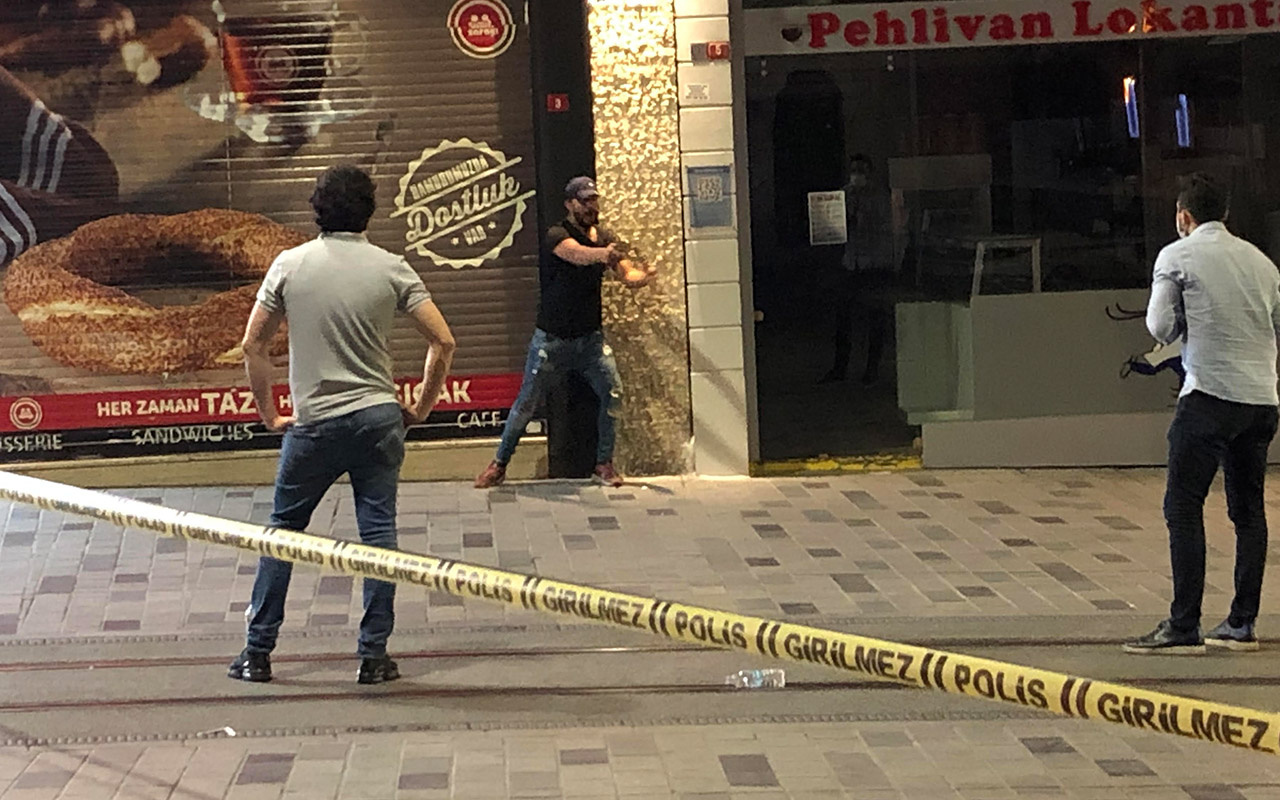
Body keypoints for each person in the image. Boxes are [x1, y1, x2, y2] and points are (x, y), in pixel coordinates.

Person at [228, 164, 456, 684]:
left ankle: (257, 654)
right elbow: (443, 341)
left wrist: (268, 414)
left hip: (314, 425)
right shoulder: (393, 268)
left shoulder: (288, 266)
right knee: (379, 536)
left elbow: (253, 344)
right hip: (377, 419)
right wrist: (419, 406)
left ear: (316, 209)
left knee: (282, 534)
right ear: (369, 212)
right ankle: (374, 656)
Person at [1124, 172, 1280, 655]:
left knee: (1183, 505)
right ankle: (1241, 623)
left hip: (1209, 395)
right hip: (1260, 401)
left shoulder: (1177, 256)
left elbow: (1160, 326)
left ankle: (1183, 623)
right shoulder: (1263, 264)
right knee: (1248, 511)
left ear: (1183, 217)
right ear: (1225, 214)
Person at [474, 176, 653, 489]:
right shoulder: (557, 234)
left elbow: (627, 272)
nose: (590, 207)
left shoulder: (606, 237)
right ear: (570, 204)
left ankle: (604, 463)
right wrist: (605, 254)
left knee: (613, 393)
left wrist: (641, 277)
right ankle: (499, 464)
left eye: (593, 200)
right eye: (584, 201)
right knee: (527, 402)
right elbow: (576, 254)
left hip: (590, 341)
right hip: (551, 340)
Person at [820, 154, 890, 385]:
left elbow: (885, 226)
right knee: (843, 318)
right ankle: (840, 368)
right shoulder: (843, 195)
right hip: (850, 263)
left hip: (873, 263)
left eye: (862, 170)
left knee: (874, 318)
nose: (858, 174)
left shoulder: (880, 196)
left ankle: (871, 370)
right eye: (854, 170)